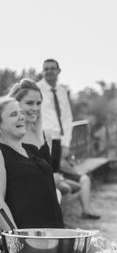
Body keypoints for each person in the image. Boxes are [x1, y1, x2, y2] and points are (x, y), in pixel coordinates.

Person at [8, 78, 99, 218]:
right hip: (21, 208)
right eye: (29, 103)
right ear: (15, 104)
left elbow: (48, 173)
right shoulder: (8, 138)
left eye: (39, 103)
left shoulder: (46, 136)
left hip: (47, 206)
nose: (35, 108)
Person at [37, 58, 100, 219]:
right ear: (43, 71)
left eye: (52, 68)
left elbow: (67, 118)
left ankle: (65, 215)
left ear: (59, 71)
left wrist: (66, 143)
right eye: (46, 69)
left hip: (59, 141)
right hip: (44, 139)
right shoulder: (37, 89)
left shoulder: (62, 91)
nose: (49, 71)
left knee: (58, 178)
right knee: (51, 180)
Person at [0, 96, 63, 230]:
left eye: (21, 113)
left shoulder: (32, 149)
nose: (21, 117)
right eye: (13, 114)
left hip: (54, 233)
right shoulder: (1, 153)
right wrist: (16, 239)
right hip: (28, 241)